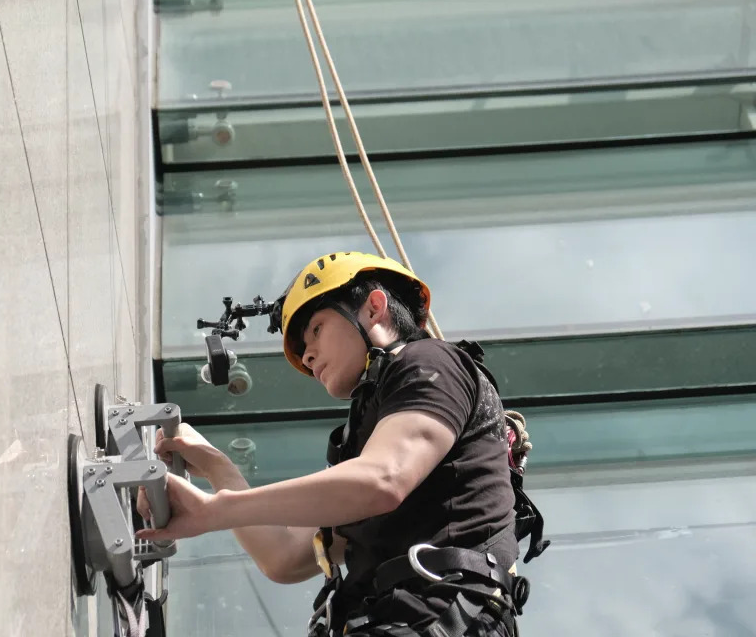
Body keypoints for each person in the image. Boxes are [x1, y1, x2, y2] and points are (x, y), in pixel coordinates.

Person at [137, 251, 536, 636]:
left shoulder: (430, 363)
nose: (308, 356)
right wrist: (216, 468)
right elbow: (284, 556)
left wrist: (217, 509)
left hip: (440, 619)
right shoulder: (366, 443)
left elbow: (383, 479)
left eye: (315, 329)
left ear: (373, 308)